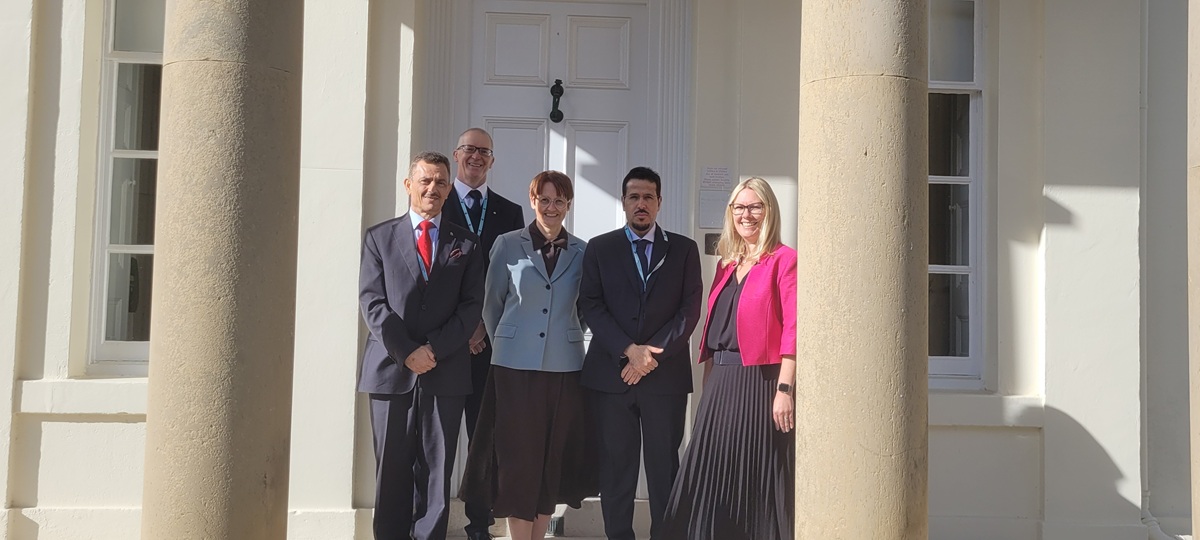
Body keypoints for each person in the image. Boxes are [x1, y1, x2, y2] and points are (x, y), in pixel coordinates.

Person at [460, 170, 596, 540]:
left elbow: (585, 308)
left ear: (568, 205)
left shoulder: (584, 252)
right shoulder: (506, 244)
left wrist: (564, 335)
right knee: (517, 459)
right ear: (533, 200)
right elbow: (493, 305)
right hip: (513, 367)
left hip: (564, 367)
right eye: (544, 200)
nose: (551, 208)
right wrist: (512, 337)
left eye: (559, 201)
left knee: (551, 458)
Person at [661, 177, 797, 540]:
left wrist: (784, 389)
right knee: (708, 475)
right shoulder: (726, 264)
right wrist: (708, 382)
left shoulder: (784, 260)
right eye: (739, 207)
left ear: (769, 211)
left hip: (760, 382)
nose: (746, 214)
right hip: (720, 383)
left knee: (753, 479)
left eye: (755, 206)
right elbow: (716, 328)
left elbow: (794, 330)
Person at [357, 151, 484, 540]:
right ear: (409, 185)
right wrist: (407, 351)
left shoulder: (467, 242)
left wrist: (434, 349)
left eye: (441, 182)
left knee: (436, 470)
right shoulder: (379, 237)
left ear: (449, 189)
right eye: (425, 180)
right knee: (391, 467)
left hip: (445, 371)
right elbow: (372, 302)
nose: (433, 188)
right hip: (390, 371)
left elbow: (470, 307)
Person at [579, 166, 703, 540]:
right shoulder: (600, 248)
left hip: (664, 379)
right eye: (634, 196)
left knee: (664, 467)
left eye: (648, 196)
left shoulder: (683, 249)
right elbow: (590, 304)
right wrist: (629, 350)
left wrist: (651, 357)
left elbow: (690, 309)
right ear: (623, 202)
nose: (641, 204)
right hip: (611, 377)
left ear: (660, 202)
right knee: (617, 469)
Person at [441, 128, 525, 540]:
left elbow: (514, 280)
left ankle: (480, 522)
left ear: (492, 161)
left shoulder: (509, 212)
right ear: (457, 155)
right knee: (437, 439)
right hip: (444, 345)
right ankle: (431, 521)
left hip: (489, 345)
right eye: (469, 150)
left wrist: (483, 326)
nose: (476, 157)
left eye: (484, 152)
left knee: (483, 439)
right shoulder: (438, 201)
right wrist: (464, 327)